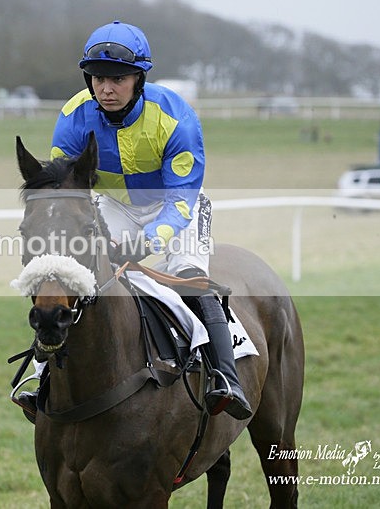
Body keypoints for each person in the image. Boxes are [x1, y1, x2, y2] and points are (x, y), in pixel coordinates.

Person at [18, 21, 252, 421]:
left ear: (139, 78)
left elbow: (181, 199)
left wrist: (147, 241)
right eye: (97, 79)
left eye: (118, 79)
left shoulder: (177, 117)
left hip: (177, 207)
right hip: (114, 206)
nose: (105, 89)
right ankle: (43, 377)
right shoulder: (74, 116)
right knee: (68, 273)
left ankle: (225, 378)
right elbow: (67, 188)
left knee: (192, 279)